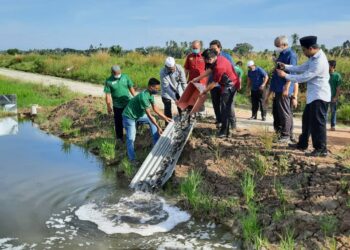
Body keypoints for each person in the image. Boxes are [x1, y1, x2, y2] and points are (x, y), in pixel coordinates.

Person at [276, 36, 331, 157]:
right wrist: (286, 66)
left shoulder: (319, 61)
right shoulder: (313, 58)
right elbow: (301, 68)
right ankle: (302, 144)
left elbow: (304, 77)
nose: (304, 53)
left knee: (318, 123)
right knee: (306, 121)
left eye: (304, 50)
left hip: (320, 96)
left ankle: (321, 149)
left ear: (311, 48)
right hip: (313, 96)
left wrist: (285, 75)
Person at [189, 49, 240, 137]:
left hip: (230, 85)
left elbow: (214, 83)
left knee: (224, 108)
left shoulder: (219, 66)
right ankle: (225, 129)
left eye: (205, 60)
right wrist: (196, 79)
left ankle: (225, 131)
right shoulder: (218, 59)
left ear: (210, 59)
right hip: (226, 84)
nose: (205, 61)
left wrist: (204, 91)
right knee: (224, 107)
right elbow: (209, 71)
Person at [122, 78, 172, 162]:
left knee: (153, 122)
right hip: (129, 116)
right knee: (131, 138)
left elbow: (155, 109)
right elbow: (149, 115)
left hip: (138, 115)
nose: (157, 90)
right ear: (150, 87)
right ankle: (132, 160)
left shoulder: (150, 95)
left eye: (157, 88)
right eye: (156, 88)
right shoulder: (143, 97)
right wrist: (159, 127)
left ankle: (155, 146)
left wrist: (165, 118)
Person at [265, 36, 298, 142]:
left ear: (284, 44)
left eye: (277, 46)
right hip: (278, 88)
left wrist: (286, 88)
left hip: (283, 89)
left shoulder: (291, 55)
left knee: (284, 112)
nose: (276, 48)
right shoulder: (282, 54)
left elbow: (292, 73)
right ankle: (285, 134)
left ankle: (286, 135)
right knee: (278, 113)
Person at [104, 65, 136, 144]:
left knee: (131, 119)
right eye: (116, 73)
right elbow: (107, 95)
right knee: (118, 122)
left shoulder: (125, 77)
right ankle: (119, 138)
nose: (118, 75)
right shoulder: (108, 81)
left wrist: (135, 98)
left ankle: (132, 134)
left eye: (119, 73)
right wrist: (108, 106)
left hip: (127, 103)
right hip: (117, 106)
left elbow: (131, 87)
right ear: (112, 73)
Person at [209, 40, 235, 127]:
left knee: (227, 105)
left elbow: (232, 70)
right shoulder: (210, 57)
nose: (212, 50)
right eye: (211, 48)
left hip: (225, 85)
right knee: (216, 104)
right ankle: (219, 121)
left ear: (219, 48)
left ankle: (232, 123)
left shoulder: (227, 57)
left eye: (214, 48)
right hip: (214, 84)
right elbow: (208, 71)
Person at [160, 57, 187, 122]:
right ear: (166, 67)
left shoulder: (179, 68)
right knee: (167, 108)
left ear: (175, 64)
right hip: (167, 92)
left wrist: (186, 94)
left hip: (177, 89)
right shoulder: (162, 72)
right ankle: (168, 123)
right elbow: (166, 87)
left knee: (180, 105)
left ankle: (182, 119)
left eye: (173, 68)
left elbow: (184, 83)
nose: (172, 70)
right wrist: (175, 99)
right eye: (170, 69)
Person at [184, 40, 207, 116]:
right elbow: (186, 69)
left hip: (202, 81)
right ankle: (192, 112)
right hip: (192, 80)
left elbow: (209, 69)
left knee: (201, 96)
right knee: (191, 97)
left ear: (200, 47)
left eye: (196, 48)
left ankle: (201, 112)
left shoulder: (204, 56)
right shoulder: (189, 56)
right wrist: (184, 80)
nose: (194, 49)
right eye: (193, 48)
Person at [328, 60, 342, 131]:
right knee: (324, 111)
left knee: (333, 111)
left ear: (332, 66)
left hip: (333, 96)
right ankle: (322, 125)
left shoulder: (337, 76)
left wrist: (336, 97)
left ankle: (333, 125)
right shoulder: (325, 74)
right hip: (325, 96)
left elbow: (338, 88)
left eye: (328, 65)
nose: (327, 66)